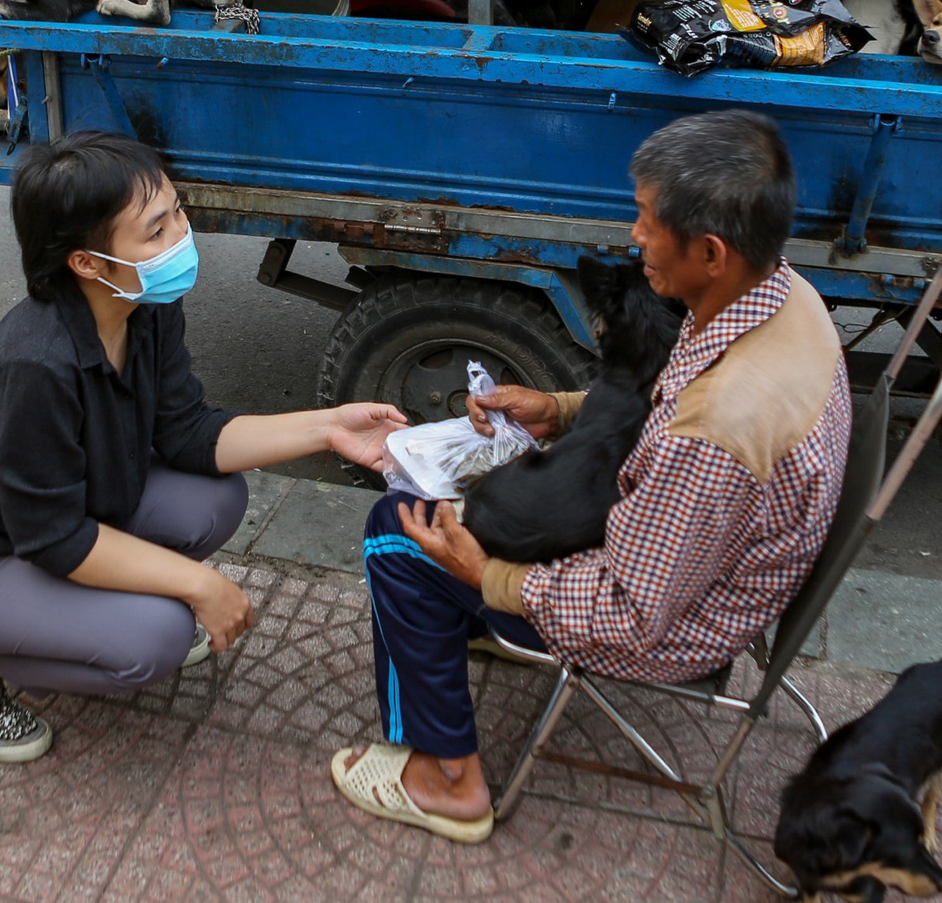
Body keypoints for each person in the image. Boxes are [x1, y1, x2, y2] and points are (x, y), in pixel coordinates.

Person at [331, 110, 851, 842]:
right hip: (708, 564)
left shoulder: (721, 429)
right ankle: (469, 618)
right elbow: (663, 400)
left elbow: (630, 614)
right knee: (481, 514)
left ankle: (450, 780)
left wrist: (488, 575)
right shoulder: (778, 293)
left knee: (399, 531)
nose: (633, 236)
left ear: (709, 249)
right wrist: (562, 409)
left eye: (645, 221)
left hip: (676, 620)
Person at [0, 132, 406, 762]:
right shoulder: (33, 367)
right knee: (155, 638)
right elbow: (53, 537)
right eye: (156, 232)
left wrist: (329, 428)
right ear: (88, 263)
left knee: (213, 499)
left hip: (59, 523)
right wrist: (196, 585)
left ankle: (75, 617)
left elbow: (190, 434)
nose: (182, 236)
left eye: (178, 212)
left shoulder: (143, 309)